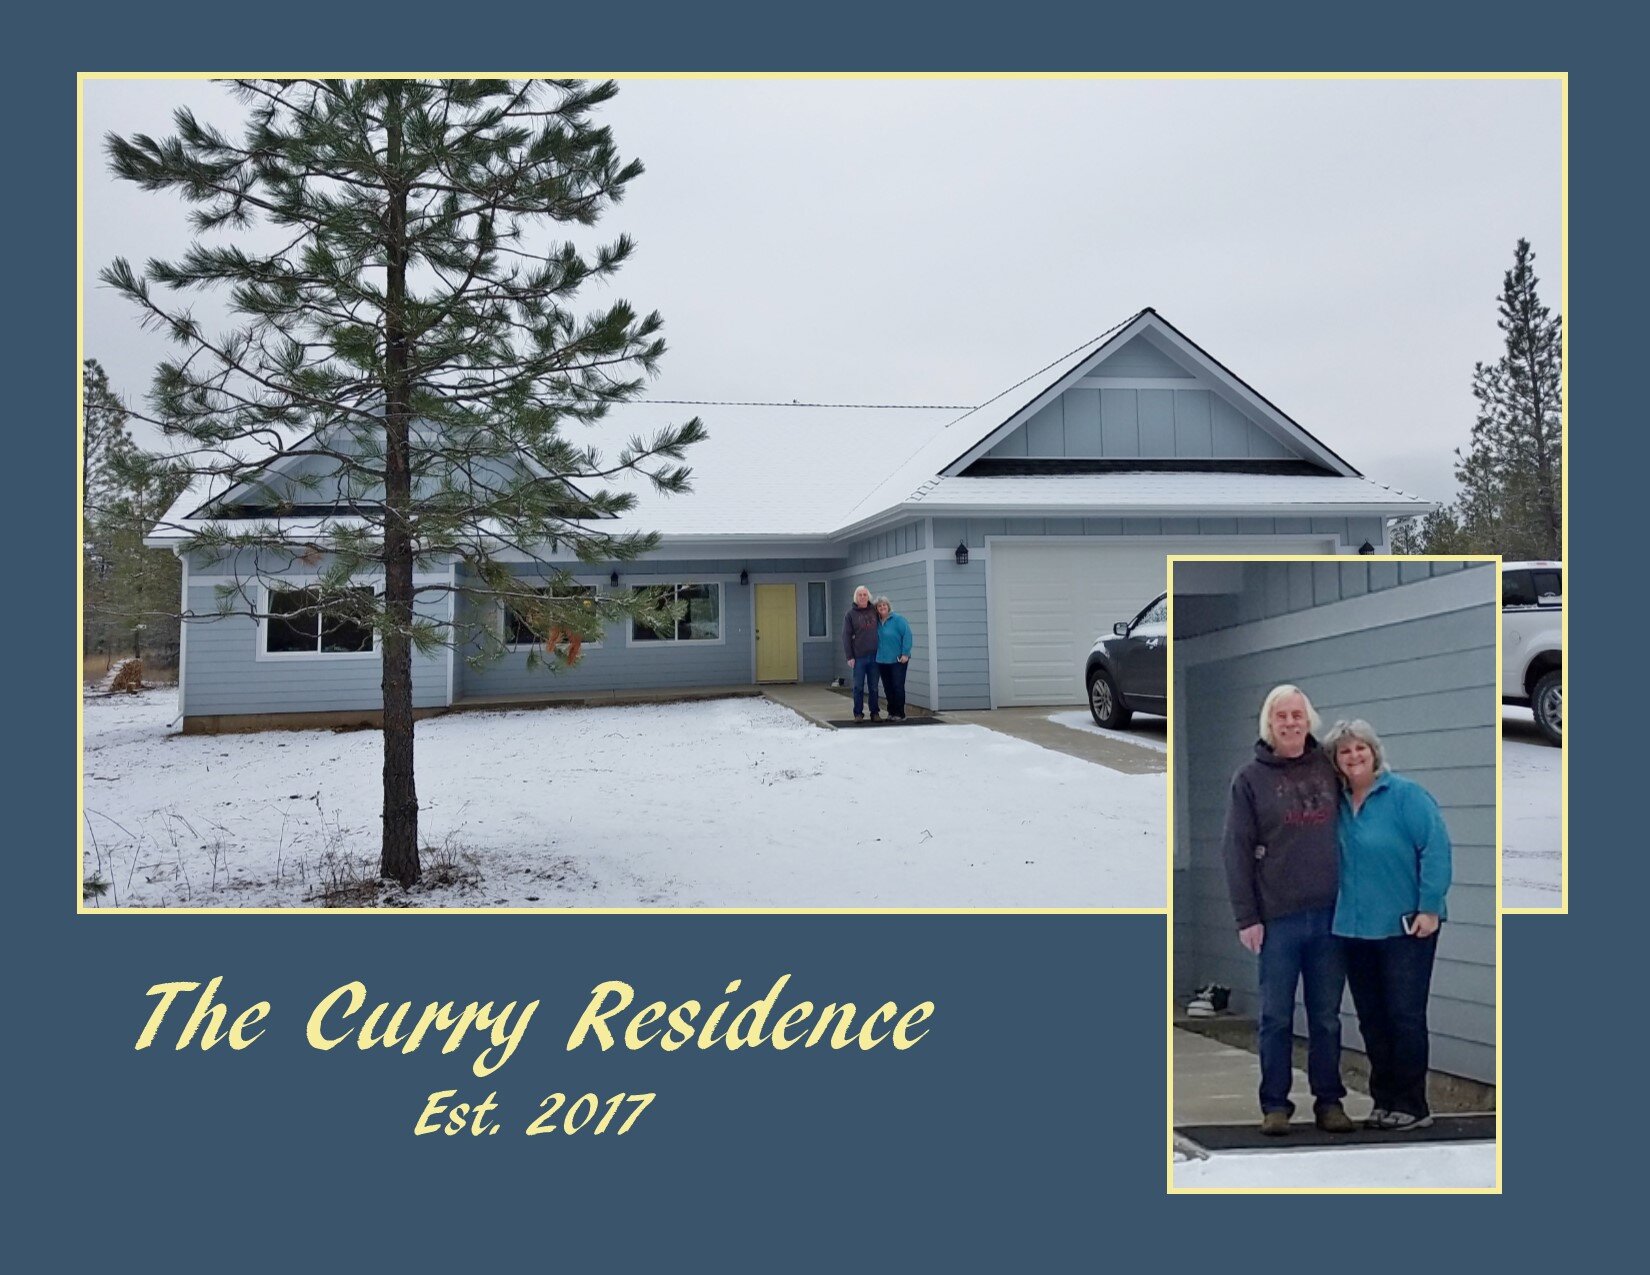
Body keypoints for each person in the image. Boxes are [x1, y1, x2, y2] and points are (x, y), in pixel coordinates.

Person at [1220, 684, 1355, 1136]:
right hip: (1277, 919)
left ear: (1309, 719)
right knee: (1276, 1016)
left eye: (1297, 714)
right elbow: (1235, 851)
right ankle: (1275, 1105)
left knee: (1326, 1018)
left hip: (1330, 917)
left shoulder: (1328, 767)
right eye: (1282, 716)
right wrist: (1247, 917)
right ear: (1269, 723)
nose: (1291, 723)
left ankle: (1329, 1101)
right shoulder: (1249, 780)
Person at [1324, 718, 1453, 1132]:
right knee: (1372, 1020)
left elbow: (1435, 850)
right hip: (1355, 931)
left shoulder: (1406, 796)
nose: (1354, 755)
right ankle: (1384, 1100)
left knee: (1405, 1017)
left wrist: (1429, 907)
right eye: (1345, 751)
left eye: (1360, 747)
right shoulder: (1337, 805)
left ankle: (1413, 1105)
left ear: (1374, 751)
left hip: (1406, 929)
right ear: (1336, 761)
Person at [841, 585, 881, 721]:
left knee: (874, 687)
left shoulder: (875, 611)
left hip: (875, 656)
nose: (863, 597)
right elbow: (846, 636)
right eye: (860, 595)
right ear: (856, 597)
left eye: (865, 594)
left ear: (868, 596)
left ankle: (875, 713)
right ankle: (858, 713)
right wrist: (849, 656)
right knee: (858, 687)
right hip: (859, 657)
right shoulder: (850, 615)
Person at [873, 596, 913, 721]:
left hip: (898, 660)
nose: (882, 607)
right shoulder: (877, 623)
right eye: (879, 606)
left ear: (888, 606)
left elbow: (907, 635)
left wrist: (905, 653)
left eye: (884, 605)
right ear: (876, 609)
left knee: (898, 686)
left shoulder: (898, 619)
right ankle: (891, 712)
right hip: (882, 661)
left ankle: (900, 713)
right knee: (888, 688)